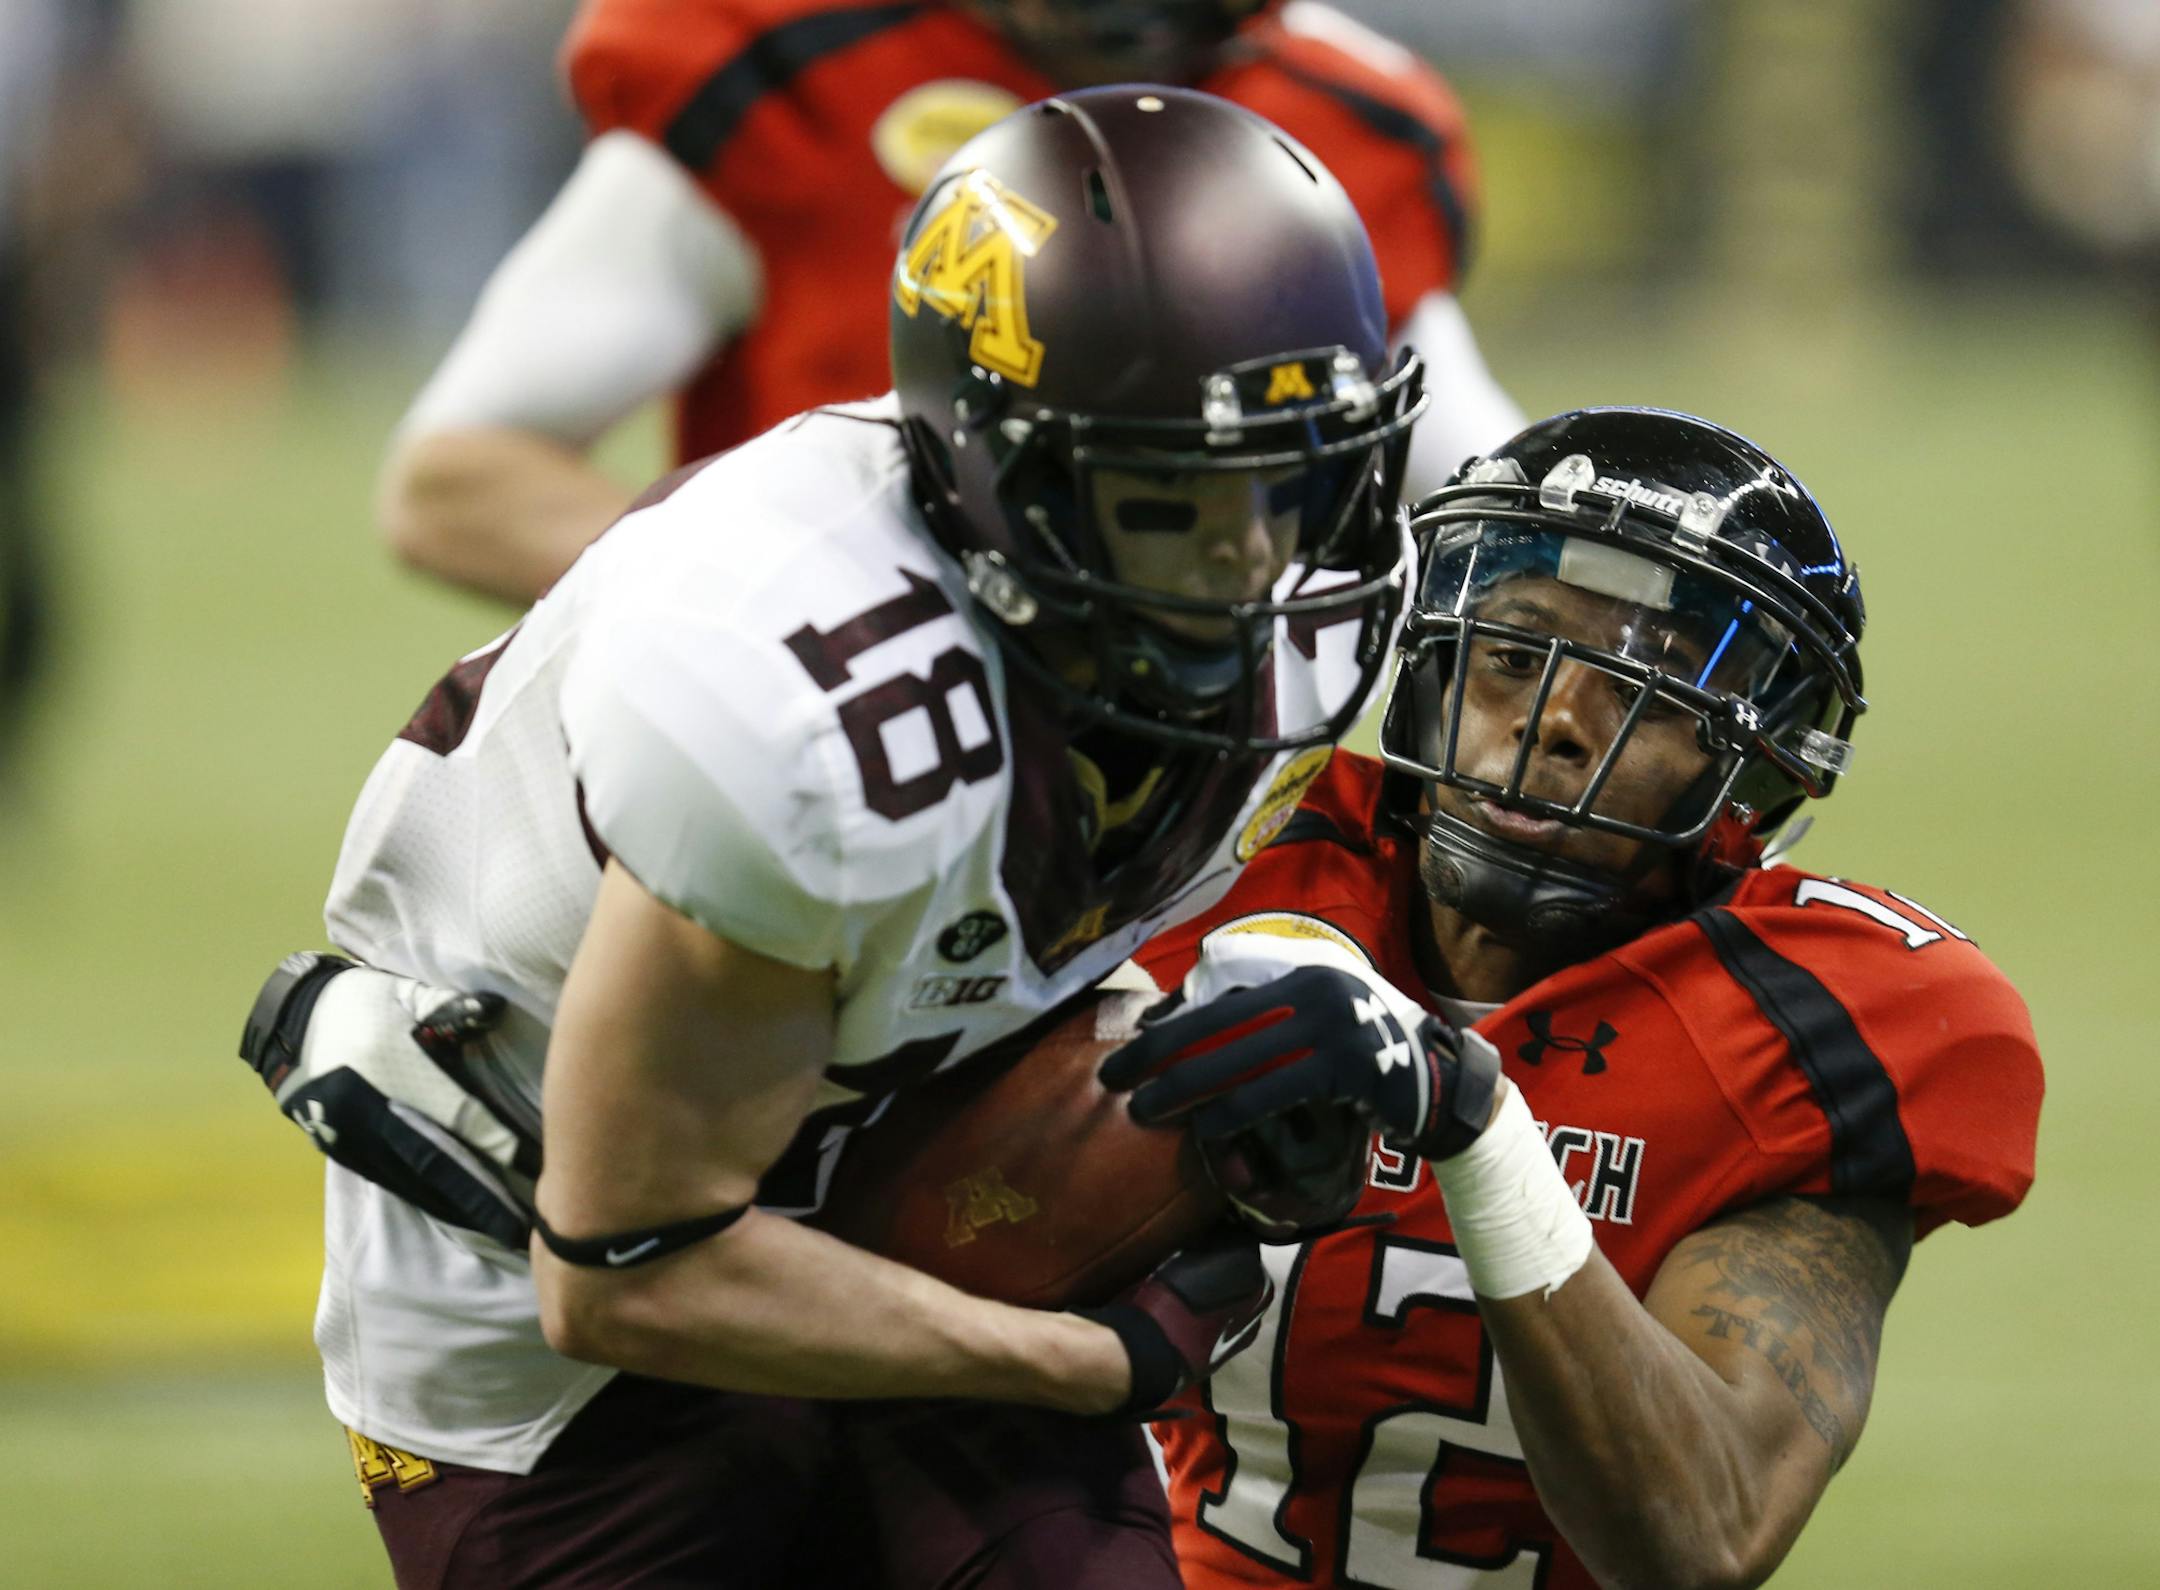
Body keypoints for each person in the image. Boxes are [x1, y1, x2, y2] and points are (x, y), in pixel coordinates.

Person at [241, 86, 1427, 1587]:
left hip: (918, 1155)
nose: (1254, 559)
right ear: (1012, 479)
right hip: (554, 1307)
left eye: (1293, 477)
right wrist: (1080, 1362)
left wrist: (1267, 1037)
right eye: (1169, 502)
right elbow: (625, 1269)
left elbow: (1060, 941)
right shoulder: (790, 713)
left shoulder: (1323, 594)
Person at [1104, 407, 2045, 1588]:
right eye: (1512, 653)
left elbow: (1700, 1536)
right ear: (1432, 656)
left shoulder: (1811, 1029)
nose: (1552, 721)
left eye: (1643, 689)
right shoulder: (1220, 857)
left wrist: (1475, 1126)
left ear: (1750, 764)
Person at [379, 0, 1522, 604]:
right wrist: (803, 623)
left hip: (1186, 790)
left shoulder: (1355, 119)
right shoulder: (789, 63)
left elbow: (1478, 506)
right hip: (855, 787)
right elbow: (456, 483)